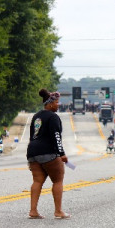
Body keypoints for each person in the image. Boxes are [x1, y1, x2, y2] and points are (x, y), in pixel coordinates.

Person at [26, 89, 70, 219]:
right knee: (58, 179)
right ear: (50, 104)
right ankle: (58, 211)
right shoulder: (53, 117)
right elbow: (56, 136)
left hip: (33, 151)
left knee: (37, 180)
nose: (58, 104)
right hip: (48, 152)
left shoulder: (36, 116)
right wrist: (62, 153)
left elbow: (32, 136)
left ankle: (33, 211)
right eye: (56, 102)